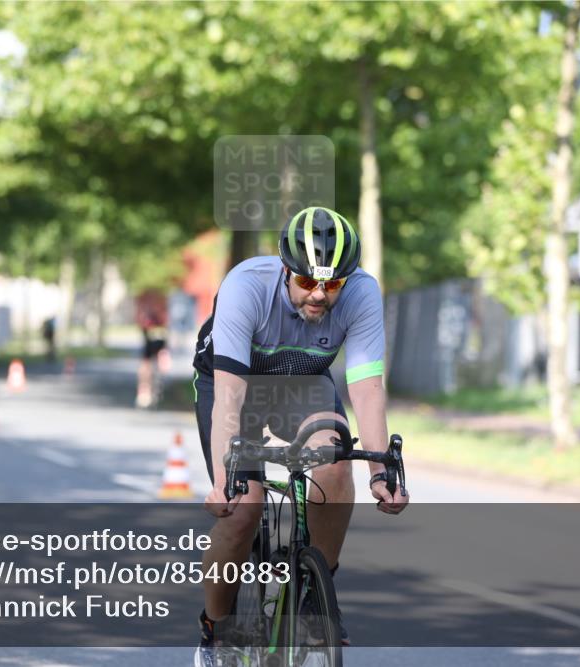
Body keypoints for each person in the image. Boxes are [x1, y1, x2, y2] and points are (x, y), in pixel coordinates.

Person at [192, 207, 409, 666]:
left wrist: (378, 472)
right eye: (308, 282)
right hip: (236, 381)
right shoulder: (245, 287)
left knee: (333, 463)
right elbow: (229, 396)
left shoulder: (363, 292)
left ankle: (315, 594)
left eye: (331, 285)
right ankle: (216, 633)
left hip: (303, 382)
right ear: (285, 268)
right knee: (242, 510)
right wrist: (221, 480)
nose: (319, 295)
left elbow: (367, 387)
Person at [135, 289, 169, 408]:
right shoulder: (144, 299)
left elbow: (165, 320)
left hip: (159, 338)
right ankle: (144, 392)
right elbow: (139, 319)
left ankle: (156, 389)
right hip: (149, 337)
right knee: (146, 366)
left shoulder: (160, 299)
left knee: (158, 366)